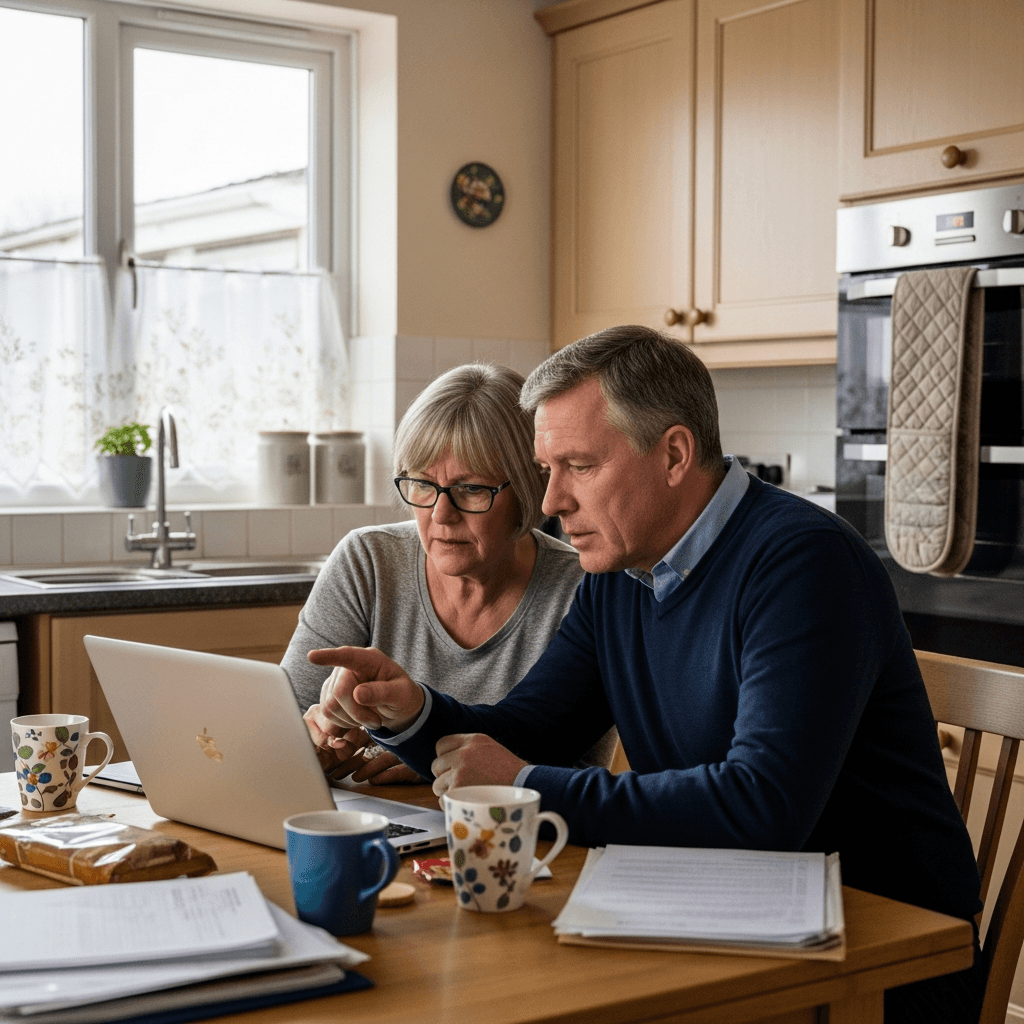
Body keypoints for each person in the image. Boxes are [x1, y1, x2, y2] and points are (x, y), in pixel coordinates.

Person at [308, 326, 984, 1022]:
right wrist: (409, 711)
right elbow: (528, 730)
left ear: (674, 454)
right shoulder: (623, 574)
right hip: (721, 913)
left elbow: (762, 807)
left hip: (882, 955)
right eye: (548, 469)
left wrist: (525, 785)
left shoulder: (802, 563)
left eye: (579, 465)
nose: (551, 502)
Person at [283, 361, 616, 783]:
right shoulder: (367, 561)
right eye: (422, 484)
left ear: (529, 488)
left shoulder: (585, 590)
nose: (441, 514)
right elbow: (280, 721)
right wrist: (313, 741)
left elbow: (569, 768)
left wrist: (427, 753)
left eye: (471, 488)